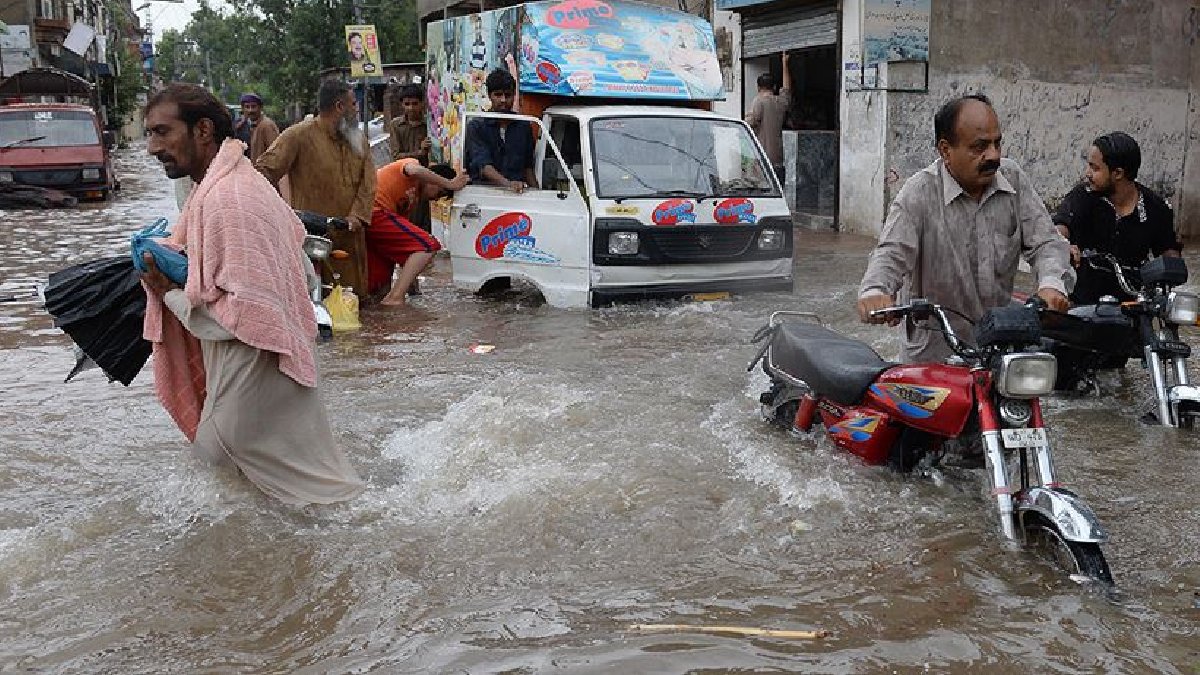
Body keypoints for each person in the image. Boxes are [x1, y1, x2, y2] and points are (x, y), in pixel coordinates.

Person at [140, 83, 364, 505]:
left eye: (162, 132)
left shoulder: (228, 199)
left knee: (230, 504)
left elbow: (241, 314)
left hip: (245, 392)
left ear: (202, 130)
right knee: (326, 497)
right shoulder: (241, 186)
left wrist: (167, 291)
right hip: (277, 377)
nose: (153, 147)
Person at [857, 94, 1074, 364]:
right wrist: (875, 293)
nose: (993, 155)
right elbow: (891, 253)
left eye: (997, 143)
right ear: (946, 150)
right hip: (935, 355)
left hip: (1001, 348)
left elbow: (1046, 243)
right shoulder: (918, 193)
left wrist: (1052, 285)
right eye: (980, 146)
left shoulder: (1013, 179)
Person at [1052, 131, 1183, 304]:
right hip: (1081, 305)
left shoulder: (1155, 208)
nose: (1087, 173)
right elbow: (1061, 225)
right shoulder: (1083, 196)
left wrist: (1172, 269)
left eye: (1095, 168)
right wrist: (1063, 244)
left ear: (1118, 173)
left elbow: (1168, 250)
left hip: (1133, 307)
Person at [255, 79, 375, 233]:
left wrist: (357, 216)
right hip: (313, 239)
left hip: (351, 236)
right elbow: (263, 173)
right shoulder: (297, 135)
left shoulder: (358, 139)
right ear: (339, 106)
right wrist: (275, 213)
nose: (357, 109)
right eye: (353, 104)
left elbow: (369, 181)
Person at [369, 158, 468, 305]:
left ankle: (390, 300)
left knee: (378, 290)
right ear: (432, 179)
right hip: (374, 211)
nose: (435, 199)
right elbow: (414, 170)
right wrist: (450, 184)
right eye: (439, 192)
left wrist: (413, 289)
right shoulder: (412, 166)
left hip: (374, 222)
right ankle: (395, 298)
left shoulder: (413, 201)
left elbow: (407, 249)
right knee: (428, 245)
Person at [465, 69, 537, 193]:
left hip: (518, 195)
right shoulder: (476, 126)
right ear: (489, 96)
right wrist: (509, 185)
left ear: (514, 96)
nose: (503, 100)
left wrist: (538, 194)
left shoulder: (524, 126)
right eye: (498, 95)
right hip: (484, 194)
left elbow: (528, 167)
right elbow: (484, 166)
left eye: (508, 95)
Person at [746, 53, 791, 185]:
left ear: (758, 87)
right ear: (775, 87)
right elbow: (787, 89)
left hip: (762, 160)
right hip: (778, 159)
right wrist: (785, 64)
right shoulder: (781, 102)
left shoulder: (758, 101)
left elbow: (750, 123)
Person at [232, 92, 280, 162]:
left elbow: (275, 152)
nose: (250, 110)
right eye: (247, 107)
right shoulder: (244, 125)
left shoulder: (266, 125)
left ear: (260, 107)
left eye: (253, 107)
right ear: (243, 109)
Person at [389, 83, 431, 164]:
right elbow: (396, 156)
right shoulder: (396, 125)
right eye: (407, 104)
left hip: (427, 171)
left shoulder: (430, 124)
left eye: (415, 104)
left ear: (422, 103)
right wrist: (419, 152)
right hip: (403, 171)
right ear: (402, 105)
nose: (411, 108)